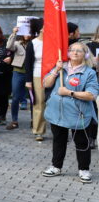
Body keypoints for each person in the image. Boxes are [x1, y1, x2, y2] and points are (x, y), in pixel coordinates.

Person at [41, 42, 99, 183]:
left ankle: (84, 169)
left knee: (81, 142)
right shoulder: (61, 68)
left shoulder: (89, 73)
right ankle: (56, 166)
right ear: (67, 53)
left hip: (78, 114)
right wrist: (56, 70)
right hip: (58, 112)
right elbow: (46, 84)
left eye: (79, 51)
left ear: (85, 54)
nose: (75, 53)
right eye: (72, 50)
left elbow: (91, 95)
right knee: (58, 140)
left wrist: (69, 92)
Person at [24, 18, 46, 141]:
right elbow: (28, 63)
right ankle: (38, 131)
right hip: (38, 75)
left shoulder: (54, 42)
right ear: (41, 28)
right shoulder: (33, 43)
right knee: (39, 103)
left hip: (54, 74)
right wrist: (28, 80)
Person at [7, 25, 30, 130]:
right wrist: (14, 33)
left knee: (34, 97)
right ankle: (14, 120)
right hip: (18, 71)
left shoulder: (34, 44)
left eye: (29, 33)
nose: (27, 35)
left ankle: (34, 121)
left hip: (31, 73)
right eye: (25, 32)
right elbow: (9, 47)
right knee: (15, 96)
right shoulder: (17, 43)